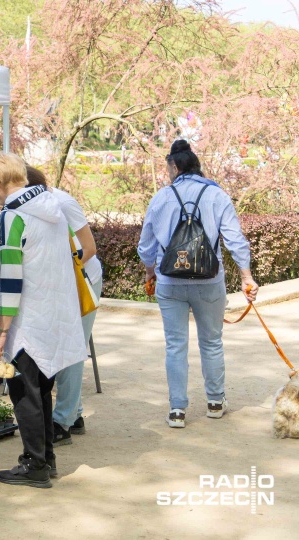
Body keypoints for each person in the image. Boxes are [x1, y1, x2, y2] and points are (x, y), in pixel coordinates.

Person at [0, 152, 86, 489]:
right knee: (41, 390)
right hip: (54, 317)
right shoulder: (52, 208)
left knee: (22, 392)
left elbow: (11, 279)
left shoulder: (12, 217)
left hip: (24, 322)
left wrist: (1, 332)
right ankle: (45, 457)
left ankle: (35, 464)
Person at [138, 139, 256, 429]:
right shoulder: (217, 195)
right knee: (212, 342)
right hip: (209, 280)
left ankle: (177, 410)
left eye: (169, 168)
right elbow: (234, 239)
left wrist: (150, 272)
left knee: (175, 345)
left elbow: (146, 246)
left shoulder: (161, 197)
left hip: (170, 281)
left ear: (175, 166)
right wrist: (246, 276)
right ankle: (215, 402)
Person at [25, 166, 102, 446]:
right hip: (61, 284)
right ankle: (75, 413)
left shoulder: (63, 203)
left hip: (82, 281)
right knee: (63, 349)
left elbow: (89, 247)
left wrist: (57, 268)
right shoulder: (33, 207)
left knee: (70, 351)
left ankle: (62, 422)